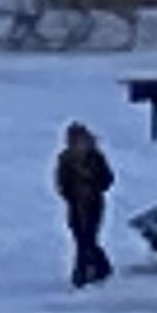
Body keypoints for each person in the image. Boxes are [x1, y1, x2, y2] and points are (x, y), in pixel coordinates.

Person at [54, 120, 116, 288]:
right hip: (75, 205)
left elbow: (107, 179)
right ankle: (100, 268)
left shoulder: (96, 157)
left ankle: (81, 274)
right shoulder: (65, 159)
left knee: (87, 238)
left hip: (94, 203)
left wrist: (94, 186)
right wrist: (72, 195)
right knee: (81, 238)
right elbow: (61, 182)